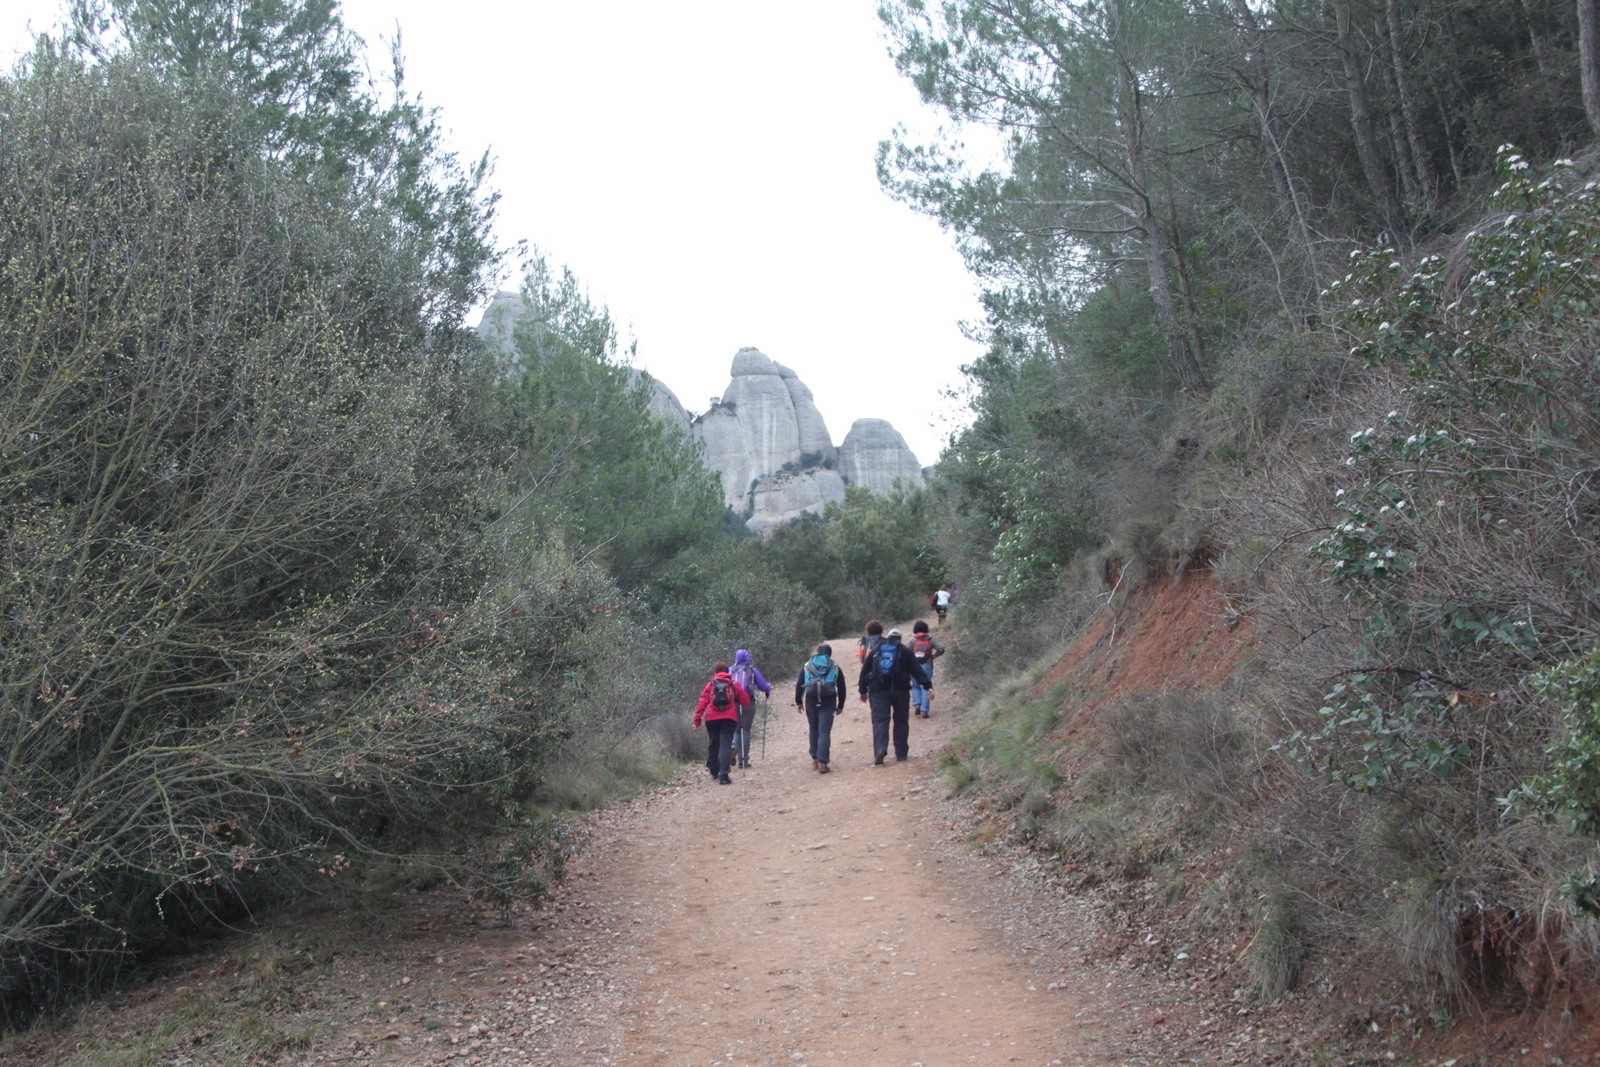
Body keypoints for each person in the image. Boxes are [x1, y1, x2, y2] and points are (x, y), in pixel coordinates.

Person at [857, 627, 932, 765]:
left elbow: (865, 670)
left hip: (878, 691)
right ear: (900, 639)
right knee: (901, 721)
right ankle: (901, 753)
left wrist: (862, 690)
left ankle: (880, 750)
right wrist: (928, 686)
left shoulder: (876, 650)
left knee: (880, 721)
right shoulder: (905, 651)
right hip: (900, 691)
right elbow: (917, 671)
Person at [694, 662, 751, 785]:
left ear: (715, 672)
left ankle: (714, 770)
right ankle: (724, 775)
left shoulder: (710, 685)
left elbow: (702, 702)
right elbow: (746, 701)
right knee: (725, 745)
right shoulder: (733, 684)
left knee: (713, 744)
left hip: (711, 719)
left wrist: (697, 720)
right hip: (729, 718)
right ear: (728, 672)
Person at [794, 642, 847, 773]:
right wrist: (840, 705)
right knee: (824, 732)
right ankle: (823, 762)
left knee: (814, 728)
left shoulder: (808, 665)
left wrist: (799, 701)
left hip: (811, 701)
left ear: (817, 652)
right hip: (828, 702)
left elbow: (800, 684)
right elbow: (841, 687)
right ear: (830, 654)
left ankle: (815, 758)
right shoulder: (834, 666)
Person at [727, 649, 773, 769]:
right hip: (747, 702)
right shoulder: (752, 670)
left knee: (736, 729)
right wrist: (768, 688)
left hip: (732, 702)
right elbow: (763, 686)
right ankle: (743, 760)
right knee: (745, 730)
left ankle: (733, 746)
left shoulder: (730, 670)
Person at [907, 620, 946, 718]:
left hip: (914, 666)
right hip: (927, 665)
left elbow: (906, 652)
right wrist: (935, 656)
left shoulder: (912, 640)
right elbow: (941, 648)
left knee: (915, 686)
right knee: (925, 687)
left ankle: (917, 704)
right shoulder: (930, 640)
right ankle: (924, 710)